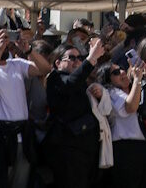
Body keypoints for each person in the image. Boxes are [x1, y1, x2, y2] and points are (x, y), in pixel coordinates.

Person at [0, 27, 51, 188]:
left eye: (4, 37)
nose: (1, 41)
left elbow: (45, 69)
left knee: (20, 182)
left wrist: (28, 49)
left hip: (21, 136)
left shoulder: (17, 64)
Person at [45, 39, 104, 188]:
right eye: (71, 58)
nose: (77, 61)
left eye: (79, 58)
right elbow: (70, 83)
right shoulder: (55, 78)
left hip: (86, 148)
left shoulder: (81, 81)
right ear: (58, 63)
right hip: (67, 149)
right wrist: (90, 59)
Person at [98, 61, 146, 188]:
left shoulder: (136, 88)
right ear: (108, 79)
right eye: (115, 72)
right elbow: (130, 107)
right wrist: (138, 79)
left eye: (121, 69)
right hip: (126, 151)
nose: (121, 72)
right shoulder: (111, 92)